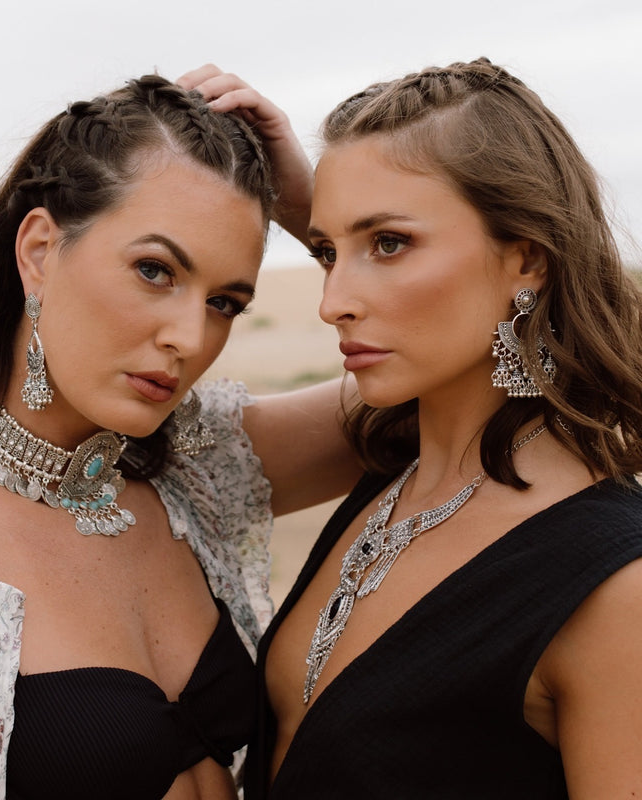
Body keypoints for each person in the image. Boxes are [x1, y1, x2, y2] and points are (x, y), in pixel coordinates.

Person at [0, 74, 362, 799]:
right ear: (39, 252)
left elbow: (489, 368)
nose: (189, 337)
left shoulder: (202, 466)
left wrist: (316, 214)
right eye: (155, 270)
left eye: (224, 303)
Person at [183, 59, 642, 797]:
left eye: (389, 244)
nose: (333, 301)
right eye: (328, 251)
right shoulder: (391, 472)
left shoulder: (617, 591)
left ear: (527, 257)